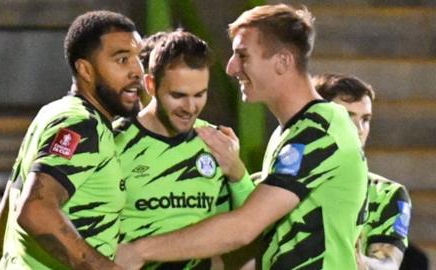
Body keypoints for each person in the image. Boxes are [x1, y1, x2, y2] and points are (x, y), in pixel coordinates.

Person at [115, 4, 368, 270]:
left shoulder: (319, 130)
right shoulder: (292, 131)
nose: (231, 67)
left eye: (243, 56)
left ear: (282, 61)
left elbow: (243, 227)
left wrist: (139, 251)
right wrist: (237, 174)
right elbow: (270, 228)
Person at [0, 10, 143, 270]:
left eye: (139, 58)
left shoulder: (52, 114)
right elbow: (36, 210)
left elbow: (1, 221)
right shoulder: (81, 125)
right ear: (85, 69)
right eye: (122, 59)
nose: (137, 71)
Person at [113, 30, 255, 269]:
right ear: (150, 84)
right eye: (178, 95)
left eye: (200, 95)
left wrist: (237, 171)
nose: (190, 107)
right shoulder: (113, 141)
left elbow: (249, 224)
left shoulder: (215, 141)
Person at [312, 73, 413, 270]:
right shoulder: (285, 184)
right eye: (347, 116)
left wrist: (362, 262)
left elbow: (389, 264)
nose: (359, 128)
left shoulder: (387, 194)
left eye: (365, 119)